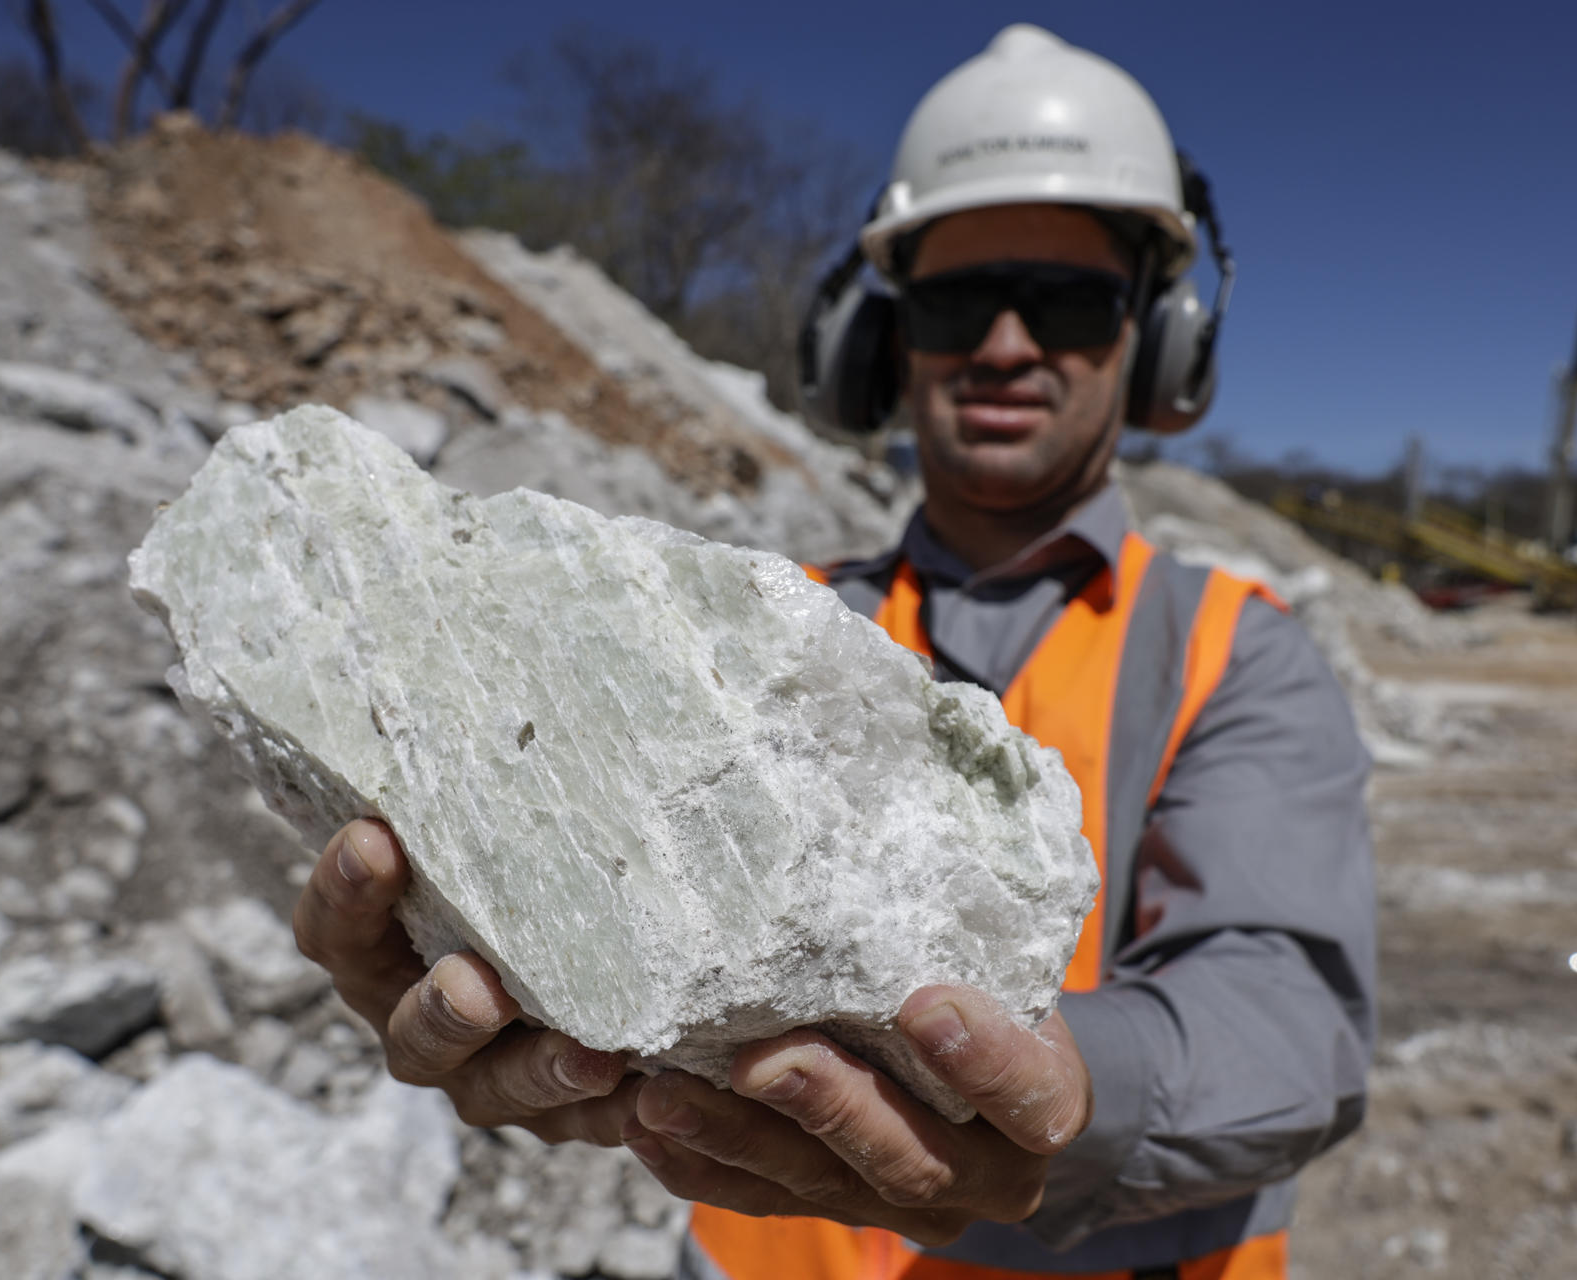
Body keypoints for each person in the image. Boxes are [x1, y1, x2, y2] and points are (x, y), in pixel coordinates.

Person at [292, 25, 1374, 1280]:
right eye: (959, 300)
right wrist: (479, 951)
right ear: (884, 337)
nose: (1007, 343)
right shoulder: (748, 633)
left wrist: (1059, 1092)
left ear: (1158, 335)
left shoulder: (1234, 651)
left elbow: (1287, 1022)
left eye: (1070, 299)